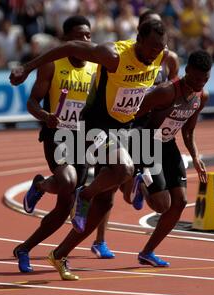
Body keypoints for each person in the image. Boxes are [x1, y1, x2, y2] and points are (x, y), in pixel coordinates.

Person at [10, 19, 168, 280]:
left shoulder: (159, 55)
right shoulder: (110, 55)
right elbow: (70, 48)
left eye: (159, 48)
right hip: (78, 131)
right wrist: (26, 69)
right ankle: (58, 189)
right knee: (75, 182)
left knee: (99, 200)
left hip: (121, 130)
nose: (155, 53)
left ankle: (53, 253)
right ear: (138, 40)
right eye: (151, 47)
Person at [91, 9, 180, 259]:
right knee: (109, 187)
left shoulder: (169, 59)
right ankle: (100, 240)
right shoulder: (125, 55)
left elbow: (173, 91)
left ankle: (138, 185)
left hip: (147, 129)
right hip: (119, 125)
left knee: (157, 201)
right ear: (140, 33)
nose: (156, 46)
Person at [12, 15, 97, 273]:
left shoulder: (96, 67)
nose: (85, 40)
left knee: (63, 209)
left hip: (83, 139)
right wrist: (46, 116)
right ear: (66, 40)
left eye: (88, 35)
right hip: (56, 135)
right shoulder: (52, 65)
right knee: (70, 182)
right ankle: (46, 185)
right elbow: (31, 102)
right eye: (79, 36)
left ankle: (24, 247)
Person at [122, 50, 211, 267]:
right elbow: (132, 113)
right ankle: (139, 180)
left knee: (179, 202)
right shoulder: (166, 91)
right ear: (187, 70)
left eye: (205, 79)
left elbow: (188, 131)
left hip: (168, 144)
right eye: (197, 78)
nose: (200, 83)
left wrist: (196, 156)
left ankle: (147, 252)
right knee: (162, 205)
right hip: (145, 141)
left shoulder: (202, 96)